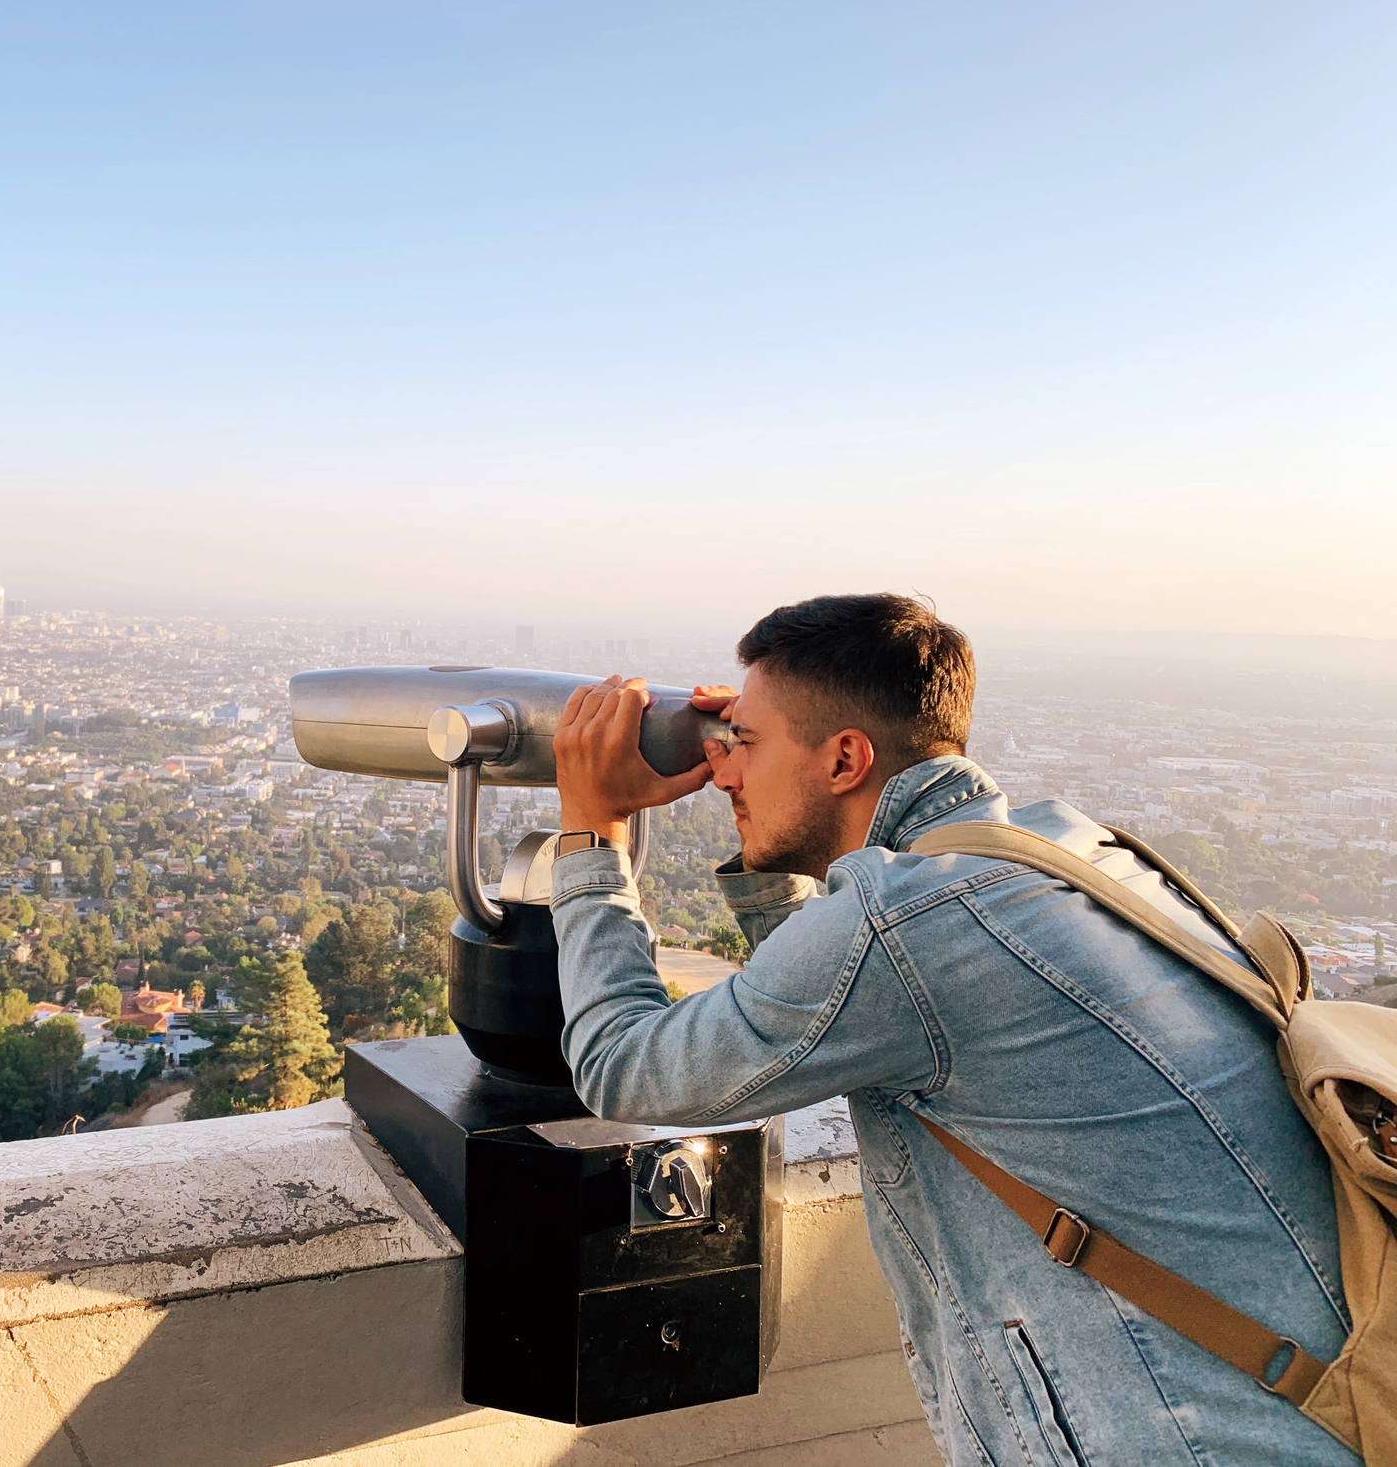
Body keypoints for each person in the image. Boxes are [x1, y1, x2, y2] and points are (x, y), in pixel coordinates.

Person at [548, 593, 1351, 1467]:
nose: (723, 771)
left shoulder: (912, 925)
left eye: (743, 744)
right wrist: (762, 807)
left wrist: (593, 832)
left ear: (846, 757)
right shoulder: (1069, 854)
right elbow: (834, 1007)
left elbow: (625, 1067)